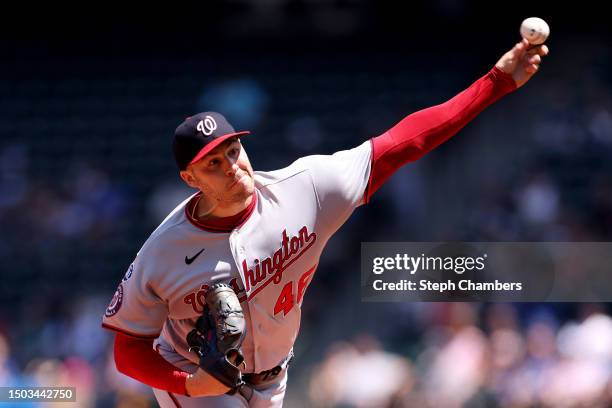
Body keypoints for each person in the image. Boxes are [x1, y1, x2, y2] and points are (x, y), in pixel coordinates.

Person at [101, 38, 549, 407]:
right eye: (213, 163)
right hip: (196, 392)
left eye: (233, 150)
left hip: (272, 382)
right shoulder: (162, 251)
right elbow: (128, 349)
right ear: (189, 178)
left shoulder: (308, 189)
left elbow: (404, 142)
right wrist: (188, 383)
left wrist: (497, 82)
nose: (232, 166)